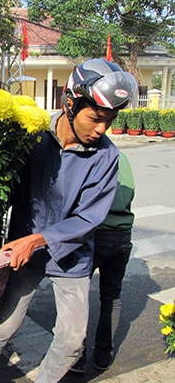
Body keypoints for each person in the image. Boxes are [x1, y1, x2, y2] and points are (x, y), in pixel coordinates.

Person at [0, 59, 138, 383]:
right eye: (96, 118)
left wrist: (40, 239)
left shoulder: (106, 157)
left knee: (73, 341)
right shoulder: (31, 136)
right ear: (70, 103)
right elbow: (6, 187)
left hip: (71, 257)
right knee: (3, 325)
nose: (102, 129)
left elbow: (88, 218)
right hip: (23, 251)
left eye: (110, 120)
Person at [70, 150, 135, 373]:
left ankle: (76, 356)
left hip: (96, 234)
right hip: (123, 234)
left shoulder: (94, 157)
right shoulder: (122, 157)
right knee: (111, 297)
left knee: (78, 294)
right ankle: (103, 355)